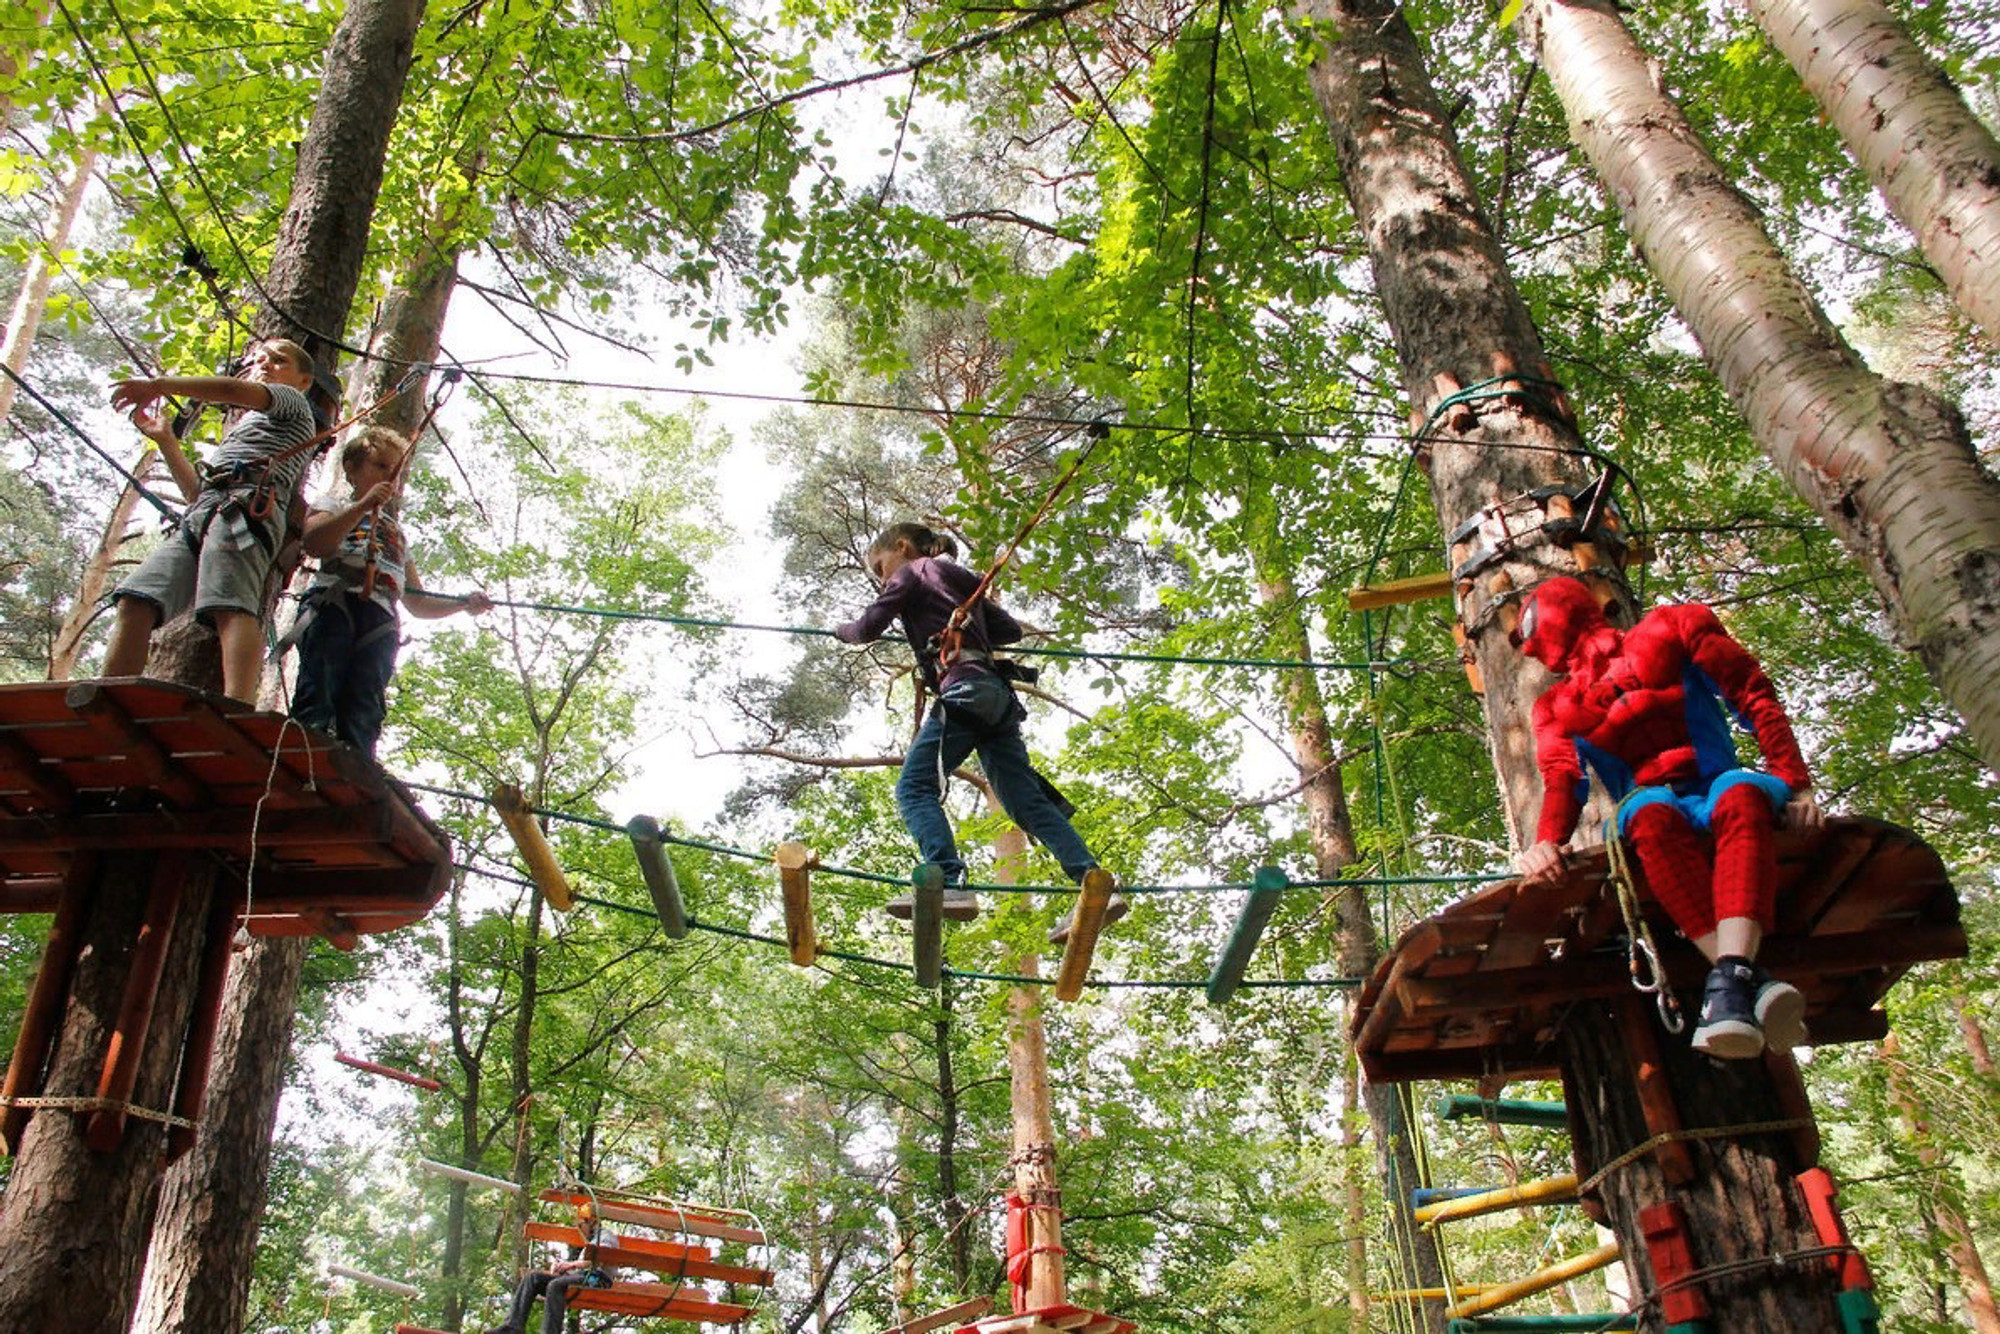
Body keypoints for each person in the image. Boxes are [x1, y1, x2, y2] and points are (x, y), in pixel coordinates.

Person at [1512, 576, 1824, 1059]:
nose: (1530, 648)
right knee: (1649, 818)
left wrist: (1795, 782)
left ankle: (1730, 985)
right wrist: (1546, 841)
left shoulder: (1674, 625)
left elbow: (1751, 691)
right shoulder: (1556, 705)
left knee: (1741, 794)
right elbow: (1561, 780)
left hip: (1717, 778)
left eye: (1531, 629)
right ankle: (1742, 979)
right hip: (1645, 798)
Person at [834, 522, 1121, 943]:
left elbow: (867, 628)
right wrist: (967, 616)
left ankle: (950, 882)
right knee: (1026, 803)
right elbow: (1009, 630)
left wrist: (841, 631)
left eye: (881, 568)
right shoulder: (959, 577)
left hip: (965, 692)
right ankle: (1093, 881)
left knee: (914, 789)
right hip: (997, 702)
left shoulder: (914, 571)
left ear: (901, 547)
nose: (883, 580)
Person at [103, 339, 326, 703]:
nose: (264, 364)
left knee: (231, 605)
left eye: (278, 360)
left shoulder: (293, 402)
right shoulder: (249, 427)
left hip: (244, 510)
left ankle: (239, 706)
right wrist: (166, 442)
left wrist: (159, 385)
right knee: (136, 599)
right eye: (258, 360)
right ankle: (108, 699)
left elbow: (229, 389)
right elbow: (196, 492)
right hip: (206, 510)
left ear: (304, 381)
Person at [290, 426, 491, 756]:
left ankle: (356, 768)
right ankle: (302, 759)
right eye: (380, 466)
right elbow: (315, 542)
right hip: (336, 603)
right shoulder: (333, 505)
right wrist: (363, 506)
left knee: (365, 704)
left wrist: (462, 603)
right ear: (352, 469)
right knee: (319, 689)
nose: (390, 477)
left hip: (381, 618)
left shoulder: (396, 533)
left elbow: (416, 601)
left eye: (395, 471)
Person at [486, 1244, 613, 1334]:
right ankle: (513, 1327)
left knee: (555, 1285)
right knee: (533, 1278)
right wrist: (561, 1268)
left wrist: (571, 1265)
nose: (579, 1228)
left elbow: (600, 1259)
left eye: (581, 1224)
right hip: (579, 1278)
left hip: (596, 1280)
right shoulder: (587, 1242)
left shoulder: (604, 1235)